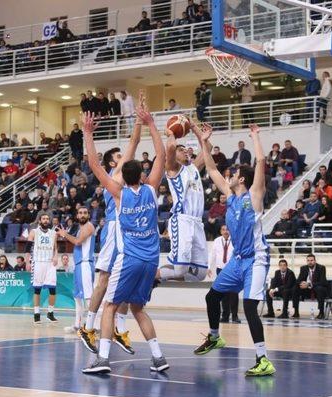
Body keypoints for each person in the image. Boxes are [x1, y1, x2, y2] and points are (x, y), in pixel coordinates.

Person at [81, 106, 169, 374]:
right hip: (152, 259)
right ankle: (158, 357)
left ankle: (103, 359)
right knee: (138, 309)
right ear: (142, 175)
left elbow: (95, 165)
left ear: (123, 175)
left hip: (130, 259)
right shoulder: (152, 190)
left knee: (110, 305)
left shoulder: (118, 194)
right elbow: (161, 156)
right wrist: (151, 123)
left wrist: (87, 133)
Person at [194, 123, 275, 377]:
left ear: (242, 178)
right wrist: (204, 142)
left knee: (249, 307)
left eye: (234, 173)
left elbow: (260, 161)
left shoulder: (254, 196)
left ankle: (263, 360)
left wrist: (255, 136)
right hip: (238, 261)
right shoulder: (230, 197)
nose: (228, 175)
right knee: (212, 297)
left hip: (256, 260)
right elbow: (210, 169)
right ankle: (215, 337)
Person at [78, 106, 143, 356]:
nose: (123, 156)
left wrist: (139, 120)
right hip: (114, 231)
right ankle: (87, 326)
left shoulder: (125, 177)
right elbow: (133, 143)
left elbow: (135, 141)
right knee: (103, 281)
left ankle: (119, 329)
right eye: (119, 155)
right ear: (112, 163)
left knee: (127, 281)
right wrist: (88, 134)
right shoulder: (113, 174)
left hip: (127, 232)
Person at [157, 119, 210, 284]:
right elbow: (171, 148)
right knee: (180, 268)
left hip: (197, 222)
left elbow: (207, 148)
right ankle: (149, 276)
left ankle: (160, 279)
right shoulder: (172, 169)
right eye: (181, 149)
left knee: (199, 273)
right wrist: (171, 132)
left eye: (186, 149)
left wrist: (195, 128)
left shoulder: (193, 167)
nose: (185, 151)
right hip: (182, 220)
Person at [56, 207, 96, 334]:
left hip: (85, 264)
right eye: (80, 213)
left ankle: (91, 327)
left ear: (88, 215)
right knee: (78, 297)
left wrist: (64, 234)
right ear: (77, 216)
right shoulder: (80, 228)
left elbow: (78, 242)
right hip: (79, 265)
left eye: (85, 213)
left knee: (89, 298)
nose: (82, 215)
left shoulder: (89, 226)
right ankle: (77, 325)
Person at [25, 213, 59, 324]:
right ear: (40, 220)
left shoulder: (53, 233)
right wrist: (27, 262)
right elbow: (27, 248)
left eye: (47, 219)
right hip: (38, 262)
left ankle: (50, 313)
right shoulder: (34, 232)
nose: (46, 220)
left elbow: (55, 247)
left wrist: (56, 256)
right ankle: (36, 314)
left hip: (50, 263)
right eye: (43, 219)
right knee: (37, 289)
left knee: (53, 289)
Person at [208, 225, 239, 323]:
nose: (226, 231)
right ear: (221, 231)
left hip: (232, 270)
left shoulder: (235, 240)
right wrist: (208, 267)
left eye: (227, 229)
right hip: (220, 270)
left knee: (234, 293)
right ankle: (225, 316)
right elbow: (212, 254)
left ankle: (235, 316)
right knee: (223, 294)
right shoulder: (217, 241)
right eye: (223, 230)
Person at [294, 254, 329, 319]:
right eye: (308, 260)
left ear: (315, 261)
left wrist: (309, 284)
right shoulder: (303, 268)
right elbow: (298, 280)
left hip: (318, 290)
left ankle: (321, 313)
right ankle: (296, 312)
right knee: (296, 288)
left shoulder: (321, 268)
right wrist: (302, 283)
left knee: (320, 289)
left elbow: (323, 282)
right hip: (307, 290)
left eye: (311, 260)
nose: (310, 262)